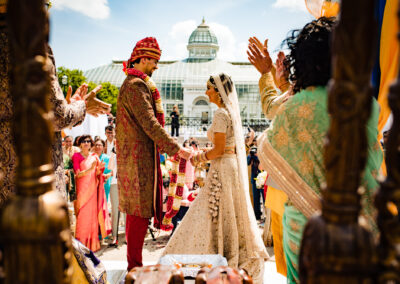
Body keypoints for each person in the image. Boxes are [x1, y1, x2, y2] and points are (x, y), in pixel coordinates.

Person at [257, 17, 383, 282]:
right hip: (364, 218)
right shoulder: (368, 103)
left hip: (306, 224)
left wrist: (271, 77)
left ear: (304, 59)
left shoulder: (294, 106)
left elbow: (269, 139)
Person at [162, 73, 268, 284]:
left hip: (222, 167)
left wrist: (199, 157)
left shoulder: (221, 114)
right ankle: (224, 250)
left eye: (209, 89)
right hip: (228, 166)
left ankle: (215, 252)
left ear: (218, 92)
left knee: (215, 208)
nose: (206, 92)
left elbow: (219, 149)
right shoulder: (229, 112)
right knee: (226, 209)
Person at [116, 37, 191, 271]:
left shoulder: (133, 83)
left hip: (136, 159)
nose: (156, 67)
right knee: (138, 214)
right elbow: (150, 124)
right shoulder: (136, 86)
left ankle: (134, 266)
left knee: (135, 214)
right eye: (154, 61)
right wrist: (176, 149)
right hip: (138, 161)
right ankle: (134, 268)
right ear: (144, 58)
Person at [247, 36, 291, 276]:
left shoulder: (302, 96)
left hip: (289, 192)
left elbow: (273, 107)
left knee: (292, 264)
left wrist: (267, 74)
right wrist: (281, 80)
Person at [72, 135, 111, 252]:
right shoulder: (76, 156)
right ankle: (80, 245)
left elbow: (98, 173)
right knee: (83, 217)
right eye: (84, 141)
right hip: (82, 191)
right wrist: (90, 169)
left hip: (93, 191)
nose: (86, 143)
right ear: (79, 143)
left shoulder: (94, 157)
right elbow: (77, 174)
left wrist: (100, 169)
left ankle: (93, 245)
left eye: (89, 141)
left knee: (92, 218)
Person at [247, 146, 264, 220]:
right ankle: (257, 215)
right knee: (255, 199)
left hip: (262, 179)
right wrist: (250, 155)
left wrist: (258, 155)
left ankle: (266, 215)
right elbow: (247, 163)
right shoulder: (251, 156)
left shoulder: (262, 155)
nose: (254, 152)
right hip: (254, 180)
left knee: (264, 198)